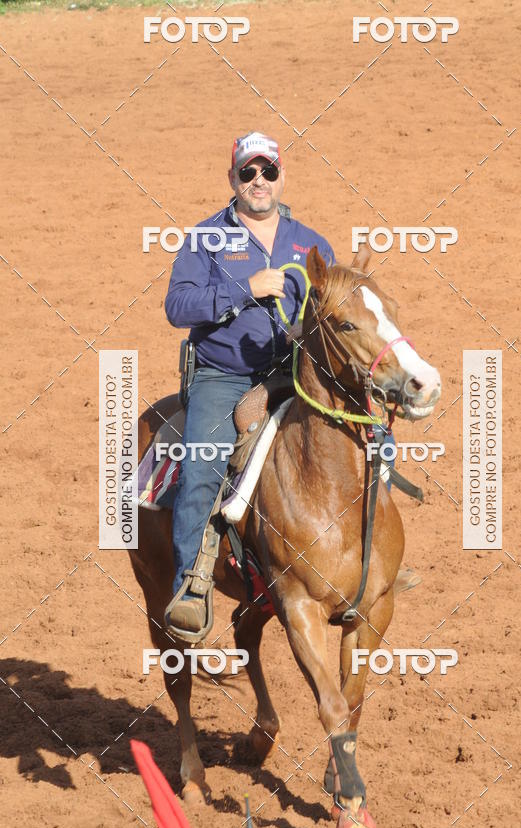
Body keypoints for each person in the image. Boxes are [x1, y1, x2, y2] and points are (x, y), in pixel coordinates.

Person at [164, 131, 335, 636]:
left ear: (283, 177)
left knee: (369, 439)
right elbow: (178, 306)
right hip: (224, 375)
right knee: (201, 465)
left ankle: (372, 559)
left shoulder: (311, 244)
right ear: (233, 179)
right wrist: (244, 289)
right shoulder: (205, 238)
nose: (259, 181)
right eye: (248, 172)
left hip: (292, 370)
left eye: (269, 171)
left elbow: (330, 308)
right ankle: (192, 585)